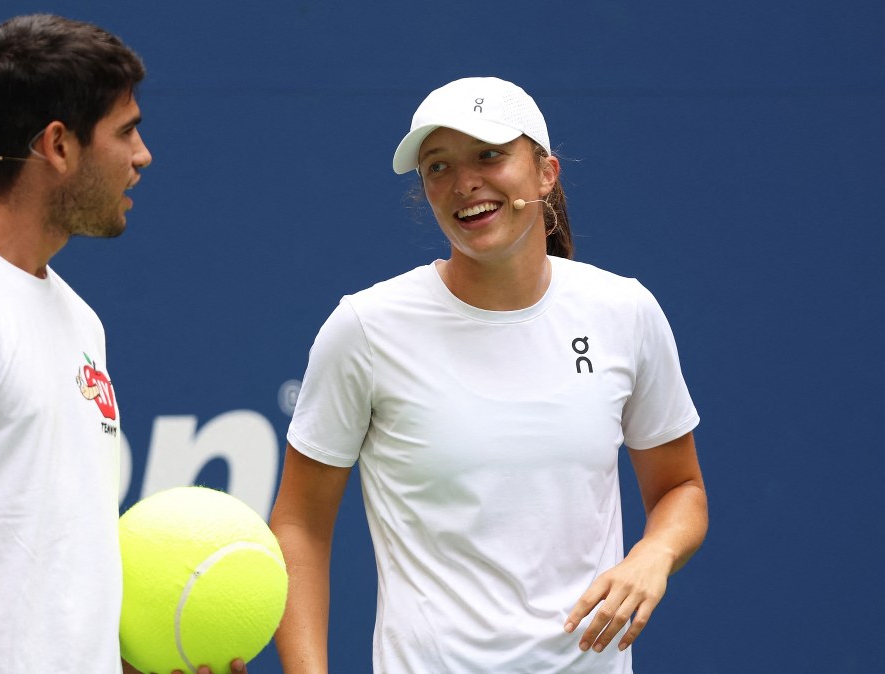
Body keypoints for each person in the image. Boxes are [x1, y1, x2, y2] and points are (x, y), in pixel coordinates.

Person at [0, 14, 243, 674]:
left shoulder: (80, 321)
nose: (143, 155)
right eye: (126, 131)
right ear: (58, 145)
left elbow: (45, 571)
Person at [269, 76, 708, 673]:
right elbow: (299, 524)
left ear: (546, 173)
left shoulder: (624, 312)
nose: (464, 182)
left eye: (489, 155)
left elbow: (681, 490)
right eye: (438, 166)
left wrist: (654, 553)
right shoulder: (366, 329)